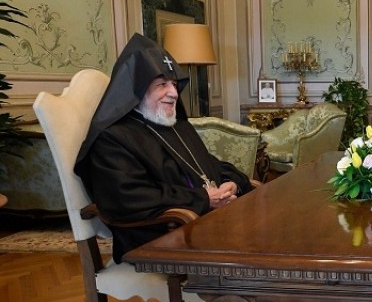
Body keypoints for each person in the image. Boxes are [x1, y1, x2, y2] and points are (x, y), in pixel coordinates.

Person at [75, 33, 254, 263]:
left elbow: (210, 166)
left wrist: (232, 183)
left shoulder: (176, 125)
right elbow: (129, 197)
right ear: (136, 89)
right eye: (161, 85)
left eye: (174, 84)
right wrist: (203, 198)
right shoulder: (113, 138)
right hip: (160, 240)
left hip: (202, 224)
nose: (174, 93)